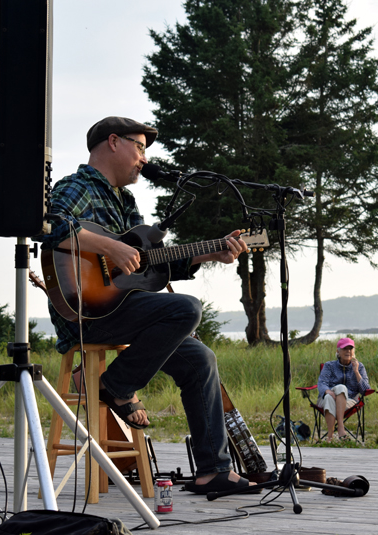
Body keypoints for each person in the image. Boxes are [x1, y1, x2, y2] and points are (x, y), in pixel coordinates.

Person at [35, 116, 254, 494]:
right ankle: (116, 386)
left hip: (126, 311)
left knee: (201, 360)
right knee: (185, 309)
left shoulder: (127, 201)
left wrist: (211, 253)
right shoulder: (79, 186)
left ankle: (212, 472)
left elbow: (149, 263)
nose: (143, 159)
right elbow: (47, 226)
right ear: (114, 142)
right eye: (140, 147)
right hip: (88, 314)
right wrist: (111, 247)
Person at [316, 337, 370, 441]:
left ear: (353, 351)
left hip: (349, 401)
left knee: (339, 390)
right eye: (345, 349)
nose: (348, 351)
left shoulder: (360, 367)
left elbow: (366, 390)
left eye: (350, 348)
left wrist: (356, 372)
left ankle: (330, 438)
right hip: (326, 398)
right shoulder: (329, 366)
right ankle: (339, 431)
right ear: (338, 351)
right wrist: (327, 391)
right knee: (328, 397)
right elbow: (322, 382)